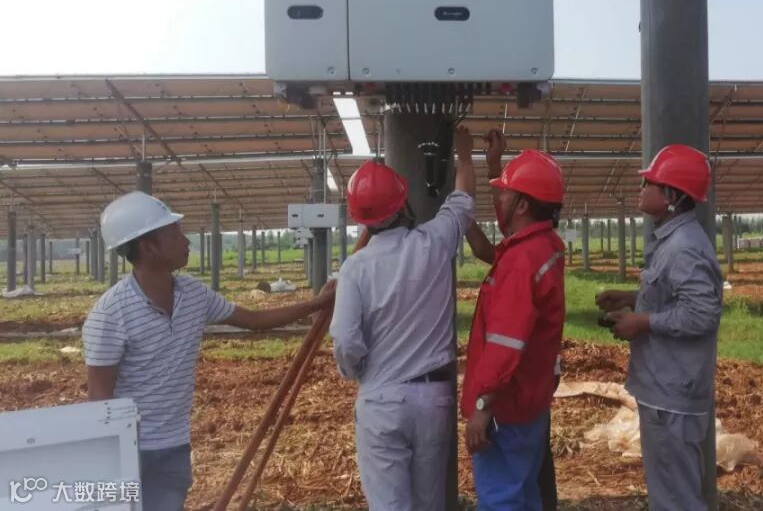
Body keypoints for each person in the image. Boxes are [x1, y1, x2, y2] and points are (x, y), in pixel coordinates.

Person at [83, 191, 335, 511]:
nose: (185, 240)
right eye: (174, 232)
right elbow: (99, 398)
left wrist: (316, 304)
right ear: (148, 247)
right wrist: (107, 465)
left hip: (174, 445)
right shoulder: (110, 314)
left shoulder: (193, 294)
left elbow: (254, 320)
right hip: (128, 450)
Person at [328, 126, 476, 510]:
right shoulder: (433, 242)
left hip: (381, 398)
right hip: (433, 399)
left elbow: (346, 340)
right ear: (402, 203)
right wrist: (463, 157)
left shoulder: (355, 269)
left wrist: (357, 371)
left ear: (360, 218)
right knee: (431, 503)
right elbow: (462, 202)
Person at [596, 144, 723, 511]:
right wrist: (633, 298)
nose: (641, 189)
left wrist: (642, 321)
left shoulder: (683, 247)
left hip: (673, 392)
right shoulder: (674, 241)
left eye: (649, 183)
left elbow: (701, 314)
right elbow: (674, 297)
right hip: (664, 387)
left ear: (672, 195)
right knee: (669, 492)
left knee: (676, 498)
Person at [460, 135, 566, 510]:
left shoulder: (520, 264)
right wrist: (494, 167)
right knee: (523, 492)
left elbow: (505, 342)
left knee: (501, 499)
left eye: (505, 193)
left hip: (506, 406)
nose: (499, 199)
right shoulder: (541, 246)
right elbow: (505, 232)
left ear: (522, 205)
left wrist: (483, 404)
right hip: (529, 400)